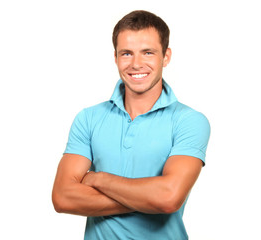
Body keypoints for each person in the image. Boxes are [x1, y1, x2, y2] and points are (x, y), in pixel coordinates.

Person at [52, 10, 210, 240]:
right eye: (126, 53)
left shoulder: (189, 121)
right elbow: (63, 198)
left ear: (166, 57)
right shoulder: (88, 118)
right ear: (115, 57)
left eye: (148, 52)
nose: (136, 64)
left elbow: (168, 198)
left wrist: (98, 179)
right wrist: (148, 199)